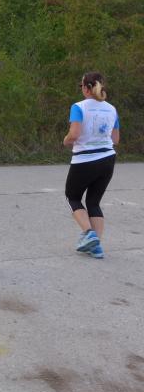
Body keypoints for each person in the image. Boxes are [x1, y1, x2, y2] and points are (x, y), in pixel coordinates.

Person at [63, 72, 120, 259]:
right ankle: (96, 247)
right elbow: (115, 139)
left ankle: (89, 234)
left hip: (85, 160)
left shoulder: (78, 107)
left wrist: (66, 140)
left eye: (81, 86)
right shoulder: (112, 109)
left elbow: (74, 134)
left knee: (72, 197)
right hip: (108, 159)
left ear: (87, 88)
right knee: (94, 202)